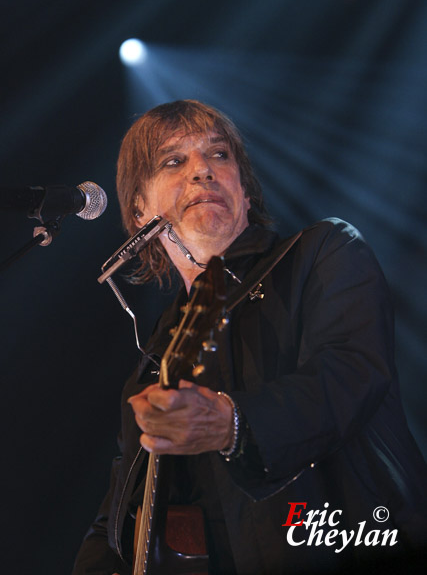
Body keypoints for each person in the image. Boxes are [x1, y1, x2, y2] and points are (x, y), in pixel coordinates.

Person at [73, 100, 427, 575]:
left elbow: (351, 375)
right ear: (139, 210)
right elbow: (115, 520)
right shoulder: (153, 362)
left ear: (244, 190)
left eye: (219, 155)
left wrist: (234, 424)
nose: (202, 171)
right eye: (174, 161)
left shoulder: (323, 252)